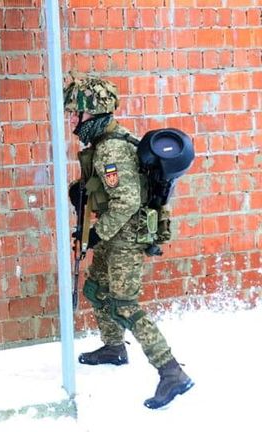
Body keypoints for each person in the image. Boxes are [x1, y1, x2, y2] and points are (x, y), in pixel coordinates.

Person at [63, 75, 194, 409]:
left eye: (74, 114)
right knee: (95, 289)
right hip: (115, 233)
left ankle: (171, 371)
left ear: (90, 114)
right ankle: (114, 347)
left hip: (126, 237)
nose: (70, 120)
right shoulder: (103, 144)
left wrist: (96, 234)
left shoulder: (111, 149)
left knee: (124, 304)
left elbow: (126, 202)